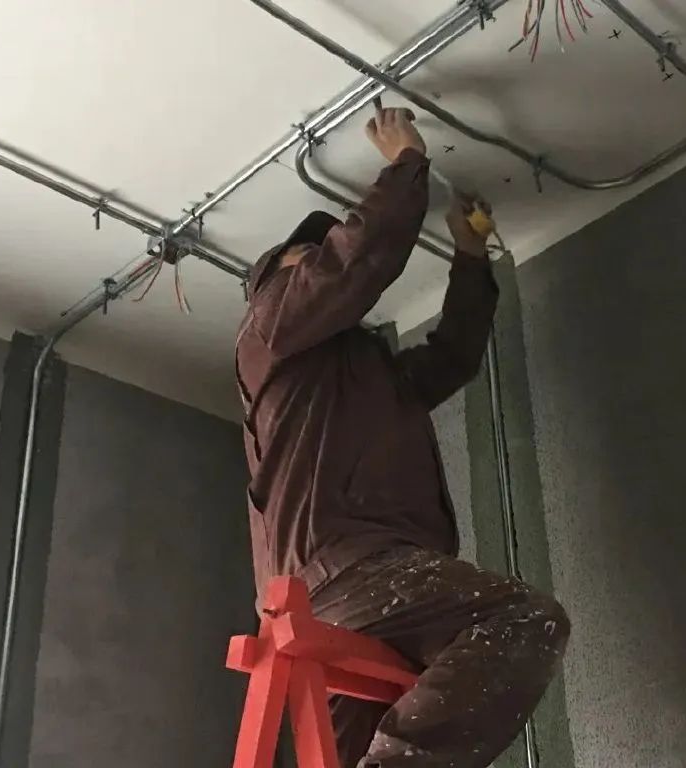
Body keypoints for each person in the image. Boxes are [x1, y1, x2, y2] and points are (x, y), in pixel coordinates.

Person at [235, 106, 569, 768]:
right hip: (344, 572)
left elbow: (452, 357)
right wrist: (405, 165)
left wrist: (469, 257)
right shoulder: (267, 330)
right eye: (308, 254)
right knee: (521, 618)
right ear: (274, 282)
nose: (323, 256)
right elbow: (350, 267)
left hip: (361, 588)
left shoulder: (369, 378)